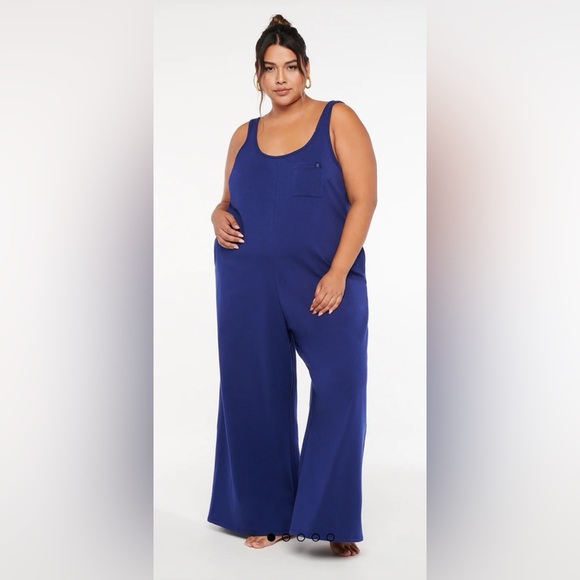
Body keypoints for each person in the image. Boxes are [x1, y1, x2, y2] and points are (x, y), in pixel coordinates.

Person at [207, 14, 377, 558]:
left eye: (290, 67)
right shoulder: (244, 135)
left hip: (323, 282)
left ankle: (331, 517)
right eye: (269, 69)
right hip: (246, 279)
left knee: (342, 386)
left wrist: (338, 271)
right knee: (253, 390)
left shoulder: (337, 118)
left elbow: (364, 199)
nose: (280, 78)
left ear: (306, 69)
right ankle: (266, 511)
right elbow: (227, 200)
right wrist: (216, 214)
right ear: (257, 75)